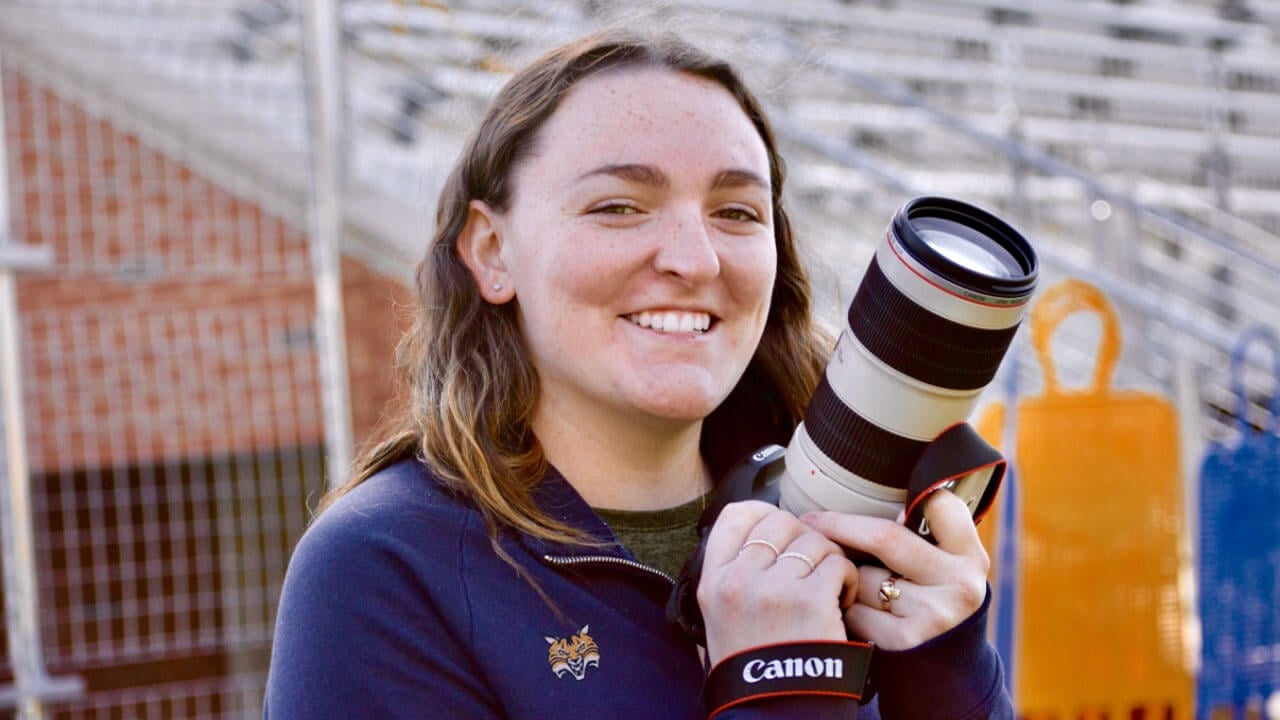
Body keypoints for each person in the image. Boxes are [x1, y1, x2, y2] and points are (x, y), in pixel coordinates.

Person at [264, 29, 1011, 720]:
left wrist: (952, 682)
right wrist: (780, 685)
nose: (695, 258)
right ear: (492, 251)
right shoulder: (386, 567)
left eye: (737, 212)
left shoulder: (849, 523)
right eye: (619, 206)